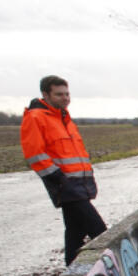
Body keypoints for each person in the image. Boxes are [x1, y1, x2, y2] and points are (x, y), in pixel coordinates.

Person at [21, 75, 107, 265]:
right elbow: (34, 153)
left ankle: (72, 273)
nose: (65, 98)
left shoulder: (64, 118)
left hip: (80, 183)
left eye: (67, 94)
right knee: (99, 231)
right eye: (59, 94)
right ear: (45, 94)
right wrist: (57, 177)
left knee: (75, 232)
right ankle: (121, 270)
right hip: (64, 184)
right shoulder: (36, 117)